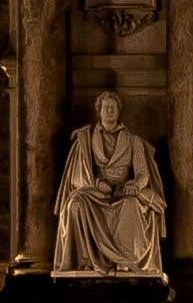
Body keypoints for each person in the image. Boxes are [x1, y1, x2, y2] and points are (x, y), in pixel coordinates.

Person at [56, 93, 168, 276]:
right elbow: (77, 175)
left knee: (132, 205)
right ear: (99, 111)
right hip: (95, 192)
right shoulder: (86, 137)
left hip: (123, 192)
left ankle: (124, 261)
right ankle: (86, 260)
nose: (109, 111)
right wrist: (96, 183)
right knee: (74, 204)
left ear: (118, 111)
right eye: (105, 107)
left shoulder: (133, 140)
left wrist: (135, 185)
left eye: (112, 107)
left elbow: (143, 173)